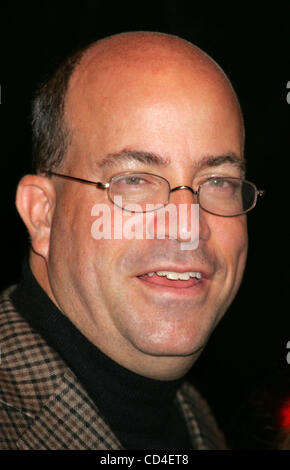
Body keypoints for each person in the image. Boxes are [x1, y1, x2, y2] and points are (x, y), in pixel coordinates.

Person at [0, 31, 263, 450]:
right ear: (42, 214)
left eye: (218, 181)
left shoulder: (196, 421)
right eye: (134, 179)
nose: (187, 226)